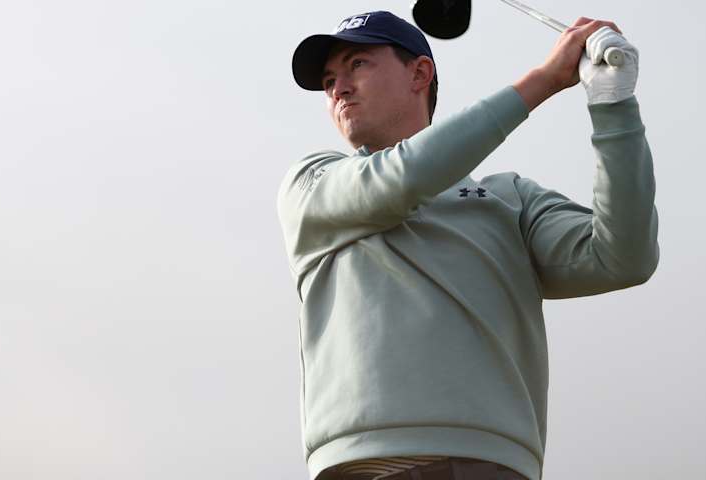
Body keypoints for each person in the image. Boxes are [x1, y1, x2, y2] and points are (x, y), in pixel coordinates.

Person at [277, 10, 659, 480]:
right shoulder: (311, 182)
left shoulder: (509, 198)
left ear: (420, 73)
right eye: (329, 79)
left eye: (357, 64)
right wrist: (543, 80)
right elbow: (401, 177)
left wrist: (612, 103)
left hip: (490, 462)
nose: (339, 87)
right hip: (358, 467)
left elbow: (623, 257)